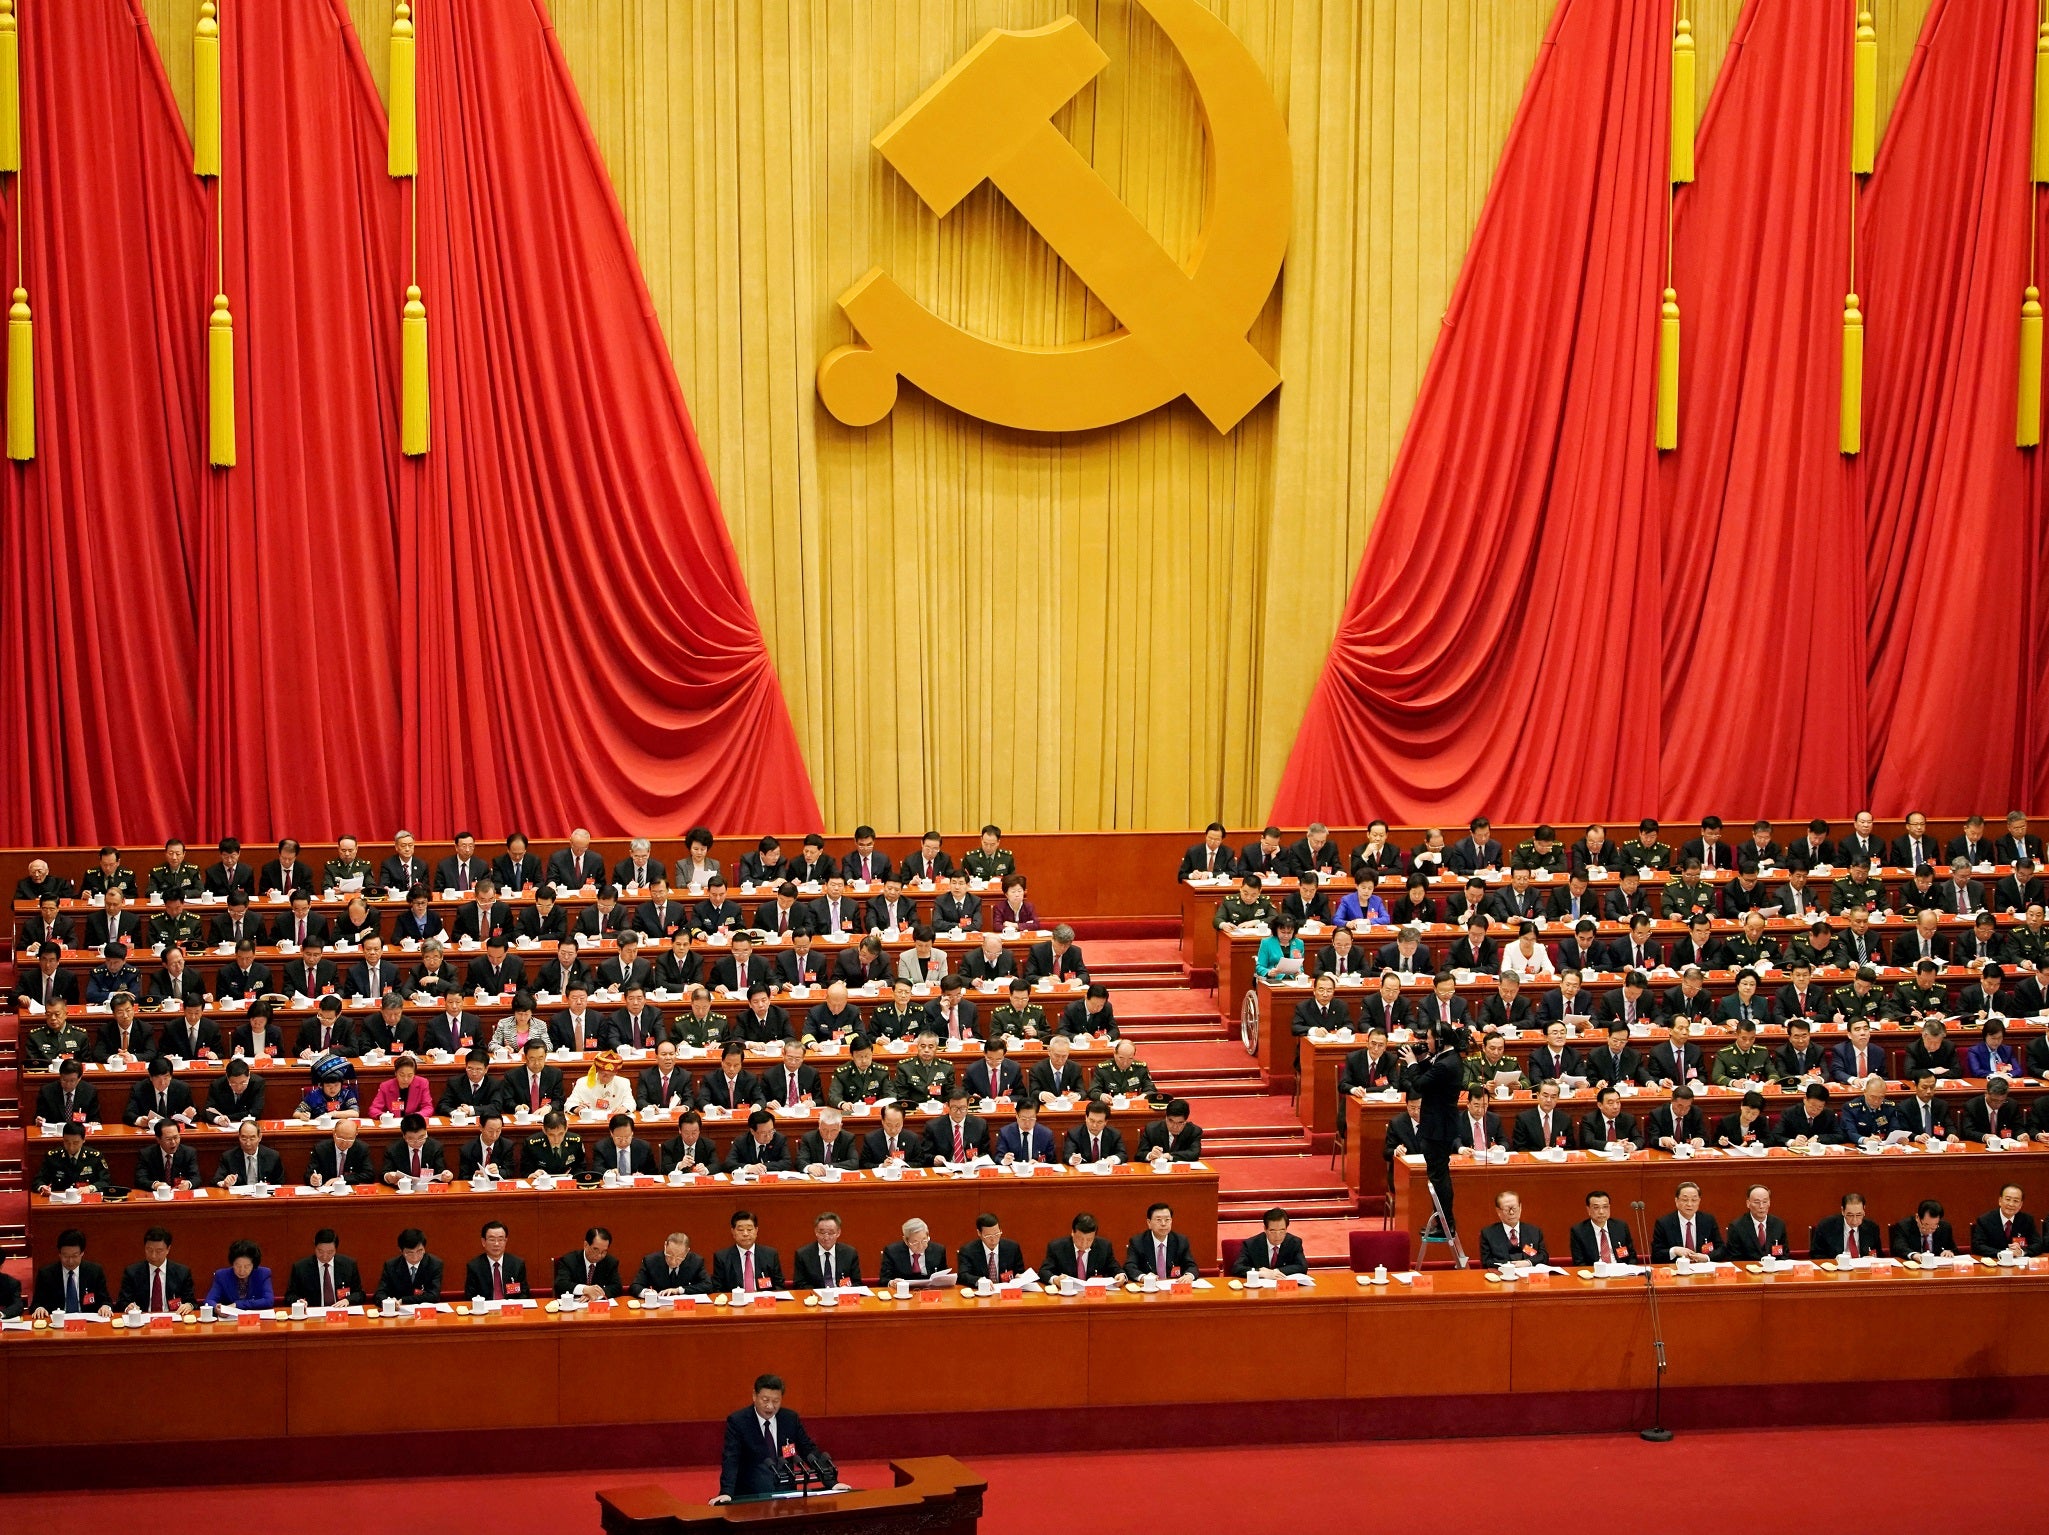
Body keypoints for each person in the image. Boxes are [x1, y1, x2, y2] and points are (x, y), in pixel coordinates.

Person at [713, 1374, 825, 1504]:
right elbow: (731, 1459)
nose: (770, 1407)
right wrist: (726, 1492)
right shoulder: (738, 1422)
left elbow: (808, 1450)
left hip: (786, 1498)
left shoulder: (789, 1419)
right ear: (754, 1396)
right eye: (765, 1400)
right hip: (751, 1498)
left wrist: (831, 1481)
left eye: (776, 1401)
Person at [1403, 1020, 1467, 1239]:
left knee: (1439, 1176)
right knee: (1438, 1175)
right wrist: (1420, 1060)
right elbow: (1427, 1074)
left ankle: (1445, 1222)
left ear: (1439, 1040)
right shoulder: (1445, 1058)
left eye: (1429, 1038)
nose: (1426, 1042)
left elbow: (1419, 1085)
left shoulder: (1446, 1064)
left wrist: (1412, 1063)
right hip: (1439, 1124)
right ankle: (1441, 1218)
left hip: (1439, 1127)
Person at [32, 1229, 112, 1318]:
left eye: (74, 1256)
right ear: (59, 1254)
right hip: (57, 1323)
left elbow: (105, 1300)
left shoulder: (95, 1271)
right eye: (65, 1256)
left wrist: (105, 1307)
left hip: (88, 1323)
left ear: (82, 1253)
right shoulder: (46, 1274)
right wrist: (39, 1308)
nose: (70, 1261)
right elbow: (36, 1303)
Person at [117, 1227, 196, 1315]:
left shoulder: (182, 1272)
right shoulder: (132, 1272)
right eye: (149, 1250)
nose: (153, 1256)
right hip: (142, 1320)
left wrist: (188, 1305)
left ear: (168, 1249)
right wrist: (128, 1307)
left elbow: (191, 1302)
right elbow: (122, 1302)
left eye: (159, 1251)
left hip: (173, 1320)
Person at [286, 1229, 364, 1308]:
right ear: (315, 1247)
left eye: (330, 1252)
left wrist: (348, 1300)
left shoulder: (348, 1265)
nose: (324, 1256)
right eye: (320, 1251)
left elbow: (359, 1294)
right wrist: (298, 1301)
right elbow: (289, 1296)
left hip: (340, 1313)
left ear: (336, 1250)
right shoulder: (301, 1267)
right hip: (313, 1315)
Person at [711, 1210, 785, 1293]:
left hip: (764, 1302)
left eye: (749, 1229)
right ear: (733, 1232)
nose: (745, 1234)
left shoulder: (770, 1254)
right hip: (736, 1303)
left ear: (756, 1230)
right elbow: (717, 1289)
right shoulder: (722, 1257)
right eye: (740, 1230)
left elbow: (779, 1285)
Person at [1123, 1202, 1196, 1281]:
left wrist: (1189, 1275)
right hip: (1148, 1288)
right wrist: (1143, 1277)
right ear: (1149, 1223)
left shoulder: (1181, 1241)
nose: (1163, 1224)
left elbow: (1191, 1266)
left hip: (1173, 1288)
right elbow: (1129, 1266)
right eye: (1158, 1220)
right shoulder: (1137, 1242)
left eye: (1167, 1220)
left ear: (1171, 1221)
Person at [1651, 1183, 1721, 1264]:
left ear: (1699, 1201)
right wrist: (1674, 1251)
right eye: (1685, 1200)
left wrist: (1706, 1257)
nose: (1689, 1204)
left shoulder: (1708, 1220)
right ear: (1676, 1200)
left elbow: (1721, 1249)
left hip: (1703, 1270)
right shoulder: (1664, 1223)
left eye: (1694, 1200)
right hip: (1676, 1270)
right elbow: (1656, 1255)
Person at [34, 1121, 110, 1195]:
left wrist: (90, 1188)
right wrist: (43, 1187)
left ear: (83, 1140)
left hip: (85, 1201)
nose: (71, 1147)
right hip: (60, 1202)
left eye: (75, 1143)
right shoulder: (53, 1157)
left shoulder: (94, 1157)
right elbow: (38, 1181)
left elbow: (106, 1181)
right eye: (67, 1142)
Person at [1041, 1212, 1120, 1283]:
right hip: (1067, 1295)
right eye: (1080, 1238)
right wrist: (1055, 1280)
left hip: (1094, 1295)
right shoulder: (1057, 1247)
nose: (1084, 1244)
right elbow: (1044, 1271)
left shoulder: (1104, 1246)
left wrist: (1120, 1275)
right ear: (1072, 1232)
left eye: (1089, 1239)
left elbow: (1114, 1268)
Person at [1478, 1191, 1549, 1268]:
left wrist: (1528, 1262)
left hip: (1530, 1276)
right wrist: (1510, 1265)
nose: (1511, 1213)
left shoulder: (1534, 1232)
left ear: (1520, 1207)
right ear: (1498, 1211)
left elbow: (1543, 1257)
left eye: (1514, 1208)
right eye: (1506, 1209)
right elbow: (1486, 1261)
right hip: (1502, 1276)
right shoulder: (1488, 1234)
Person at [1718, 1185, 1789, 1261]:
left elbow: (1784, 1255)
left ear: (1769, 1203)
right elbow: (1734, 1258)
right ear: (1748, 1203)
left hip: (1774, 1270)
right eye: (1757, 1202)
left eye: (1765, 1202)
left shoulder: (1778, 1224)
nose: (1761, 1206)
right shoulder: (1737, 1227)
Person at [1231, 1208, 1309, 1278]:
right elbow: (1237, 1268)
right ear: (1265, 1229)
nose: (1277, 1235)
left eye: (1282, 1230)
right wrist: (1260, 1272)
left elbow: (1302, 1267)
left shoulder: (1294, 1243)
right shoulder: (1251, 1244)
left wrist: (1276, 1271)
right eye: (1273, 1231)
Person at [793, 1212, 862, 1289]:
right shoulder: (803, 1254)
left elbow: (857, 1283)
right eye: (822, 1233)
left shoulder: (850, 1253)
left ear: (838, 1233)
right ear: (816, 1232)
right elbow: (799, 1284)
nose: (826, 1237)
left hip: (842, 1297)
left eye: (831, 1233)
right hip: (816, 1297)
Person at [1811, 1193, 1883, 1260]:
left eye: (1859, 1215)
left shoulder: (1872, 1228)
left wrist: (1872, 1259)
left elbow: (1878, 1254)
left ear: (1864, 1210)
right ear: (1843, 1211)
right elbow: (1816, 1255)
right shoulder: (1826, 1226)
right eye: (1850, 1215)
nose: (1854, 1221)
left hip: (1863, 1270)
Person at [556, 1227, 623, 1300]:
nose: (599, 1255)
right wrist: (585, 1289)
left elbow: (617, 1287)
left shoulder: (610, 1262)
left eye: (604, 1251)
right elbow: (560, 1285)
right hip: (575, 1306)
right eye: (596, 1250)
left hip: (598, 1308)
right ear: (586, 1245)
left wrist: (596, 1294)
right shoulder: (569, 1260)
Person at [203, 1240, 275, 1308]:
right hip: (229, 1319)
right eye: (238, 1266)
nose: (242, 1271)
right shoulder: (221, 1275)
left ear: (254, 1265)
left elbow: (269, 1301)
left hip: (255, 1318)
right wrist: (216, 1307)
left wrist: (237, 1305)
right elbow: (209, 1301)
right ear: (232, 1263)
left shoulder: (263, 1274)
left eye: (247, 1266)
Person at [136, 1117, 200, 1192]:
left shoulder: (189, 1153)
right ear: (158, 1139)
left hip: (180, 1197)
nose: (173, 1142)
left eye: (176, 1137)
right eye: (168, 1139)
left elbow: (196, 1178)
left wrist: (188, 1184)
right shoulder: (146, 1154)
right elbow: (140, 1179)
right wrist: (155, 1185)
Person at [958, 1213, 1026, 1284]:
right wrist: (979, 1280)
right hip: (981, 1293)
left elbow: (1020, 1272)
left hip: (1005, 1292)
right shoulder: (968, 1251)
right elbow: (962, 1275)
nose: (993, 1239)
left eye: (997, 1234)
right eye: (988, 1236)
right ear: (979, 1233)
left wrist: (1019, 1277)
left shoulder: (1012, 1248)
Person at [633, 1232, 709, 1296]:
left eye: (679, 1257)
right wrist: (647, 1293)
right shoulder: (650, 1261)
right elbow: (635, 1286)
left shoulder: (696, 1261)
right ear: (665, 1246)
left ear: (687, 1252)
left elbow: (708, 1285)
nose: (673, 1261)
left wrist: (679, 1290)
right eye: (669, 1255)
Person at [1569, 1191, 1633, 1266]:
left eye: (1605, 1207)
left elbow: (1632, 1256)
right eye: (1596, 1207)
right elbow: (1579, 1263)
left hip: (1621, 1273)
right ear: (1588, 1210)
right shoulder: (1578, 1231)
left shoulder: (1621, 1227)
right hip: (1594, 1273)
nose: (1601, 1212)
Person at [368, 1055, 435, 1120]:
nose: (406, 1079)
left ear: (414, 1074)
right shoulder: (385, 1086)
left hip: (413, 1125)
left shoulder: (422, 1083)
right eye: (402, 1075)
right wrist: (385, 1116)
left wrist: (416, 1117)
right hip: (393, 1125)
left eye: (410, 1075)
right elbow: (373, 1109)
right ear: (395, 1073)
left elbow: (428, 1107)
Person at [459, 1110, 520, 1180]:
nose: (494, 1135)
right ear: (481, 1128)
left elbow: (510, 1171)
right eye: (490, 1131)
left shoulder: (507, 1146)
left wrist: (498, 1172)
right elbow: (463, 1177)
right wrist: (475, 1176)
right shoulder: (467, 1149)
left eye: (498, 1131)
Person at [727, 1109, 793, 1172]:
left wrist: (762, 1167)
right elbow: (729, 1164)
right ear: (752, 1131)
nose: (768, 1136)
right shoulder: (741, 1141)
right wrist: (748, 1168)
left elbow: (787, 1163)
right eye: (763, 1133)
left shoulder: (779, 1139)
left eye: (771, 1131)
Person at [1139, 1100, 1203, 1163]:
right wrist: (1150, 1155)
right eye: (1171, 1121)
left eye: (1180, 1122)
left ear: (1185, 1121)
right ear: (1166, 1117)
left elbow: (1194, 1153)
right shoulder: (1152, 1129)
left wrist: (1170, 1156)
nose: (1175, 1126)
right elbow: (1139, 1155)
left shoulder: (1194, 1131)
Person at [1890, 1199, 1957, 1259]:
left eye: (1934, 1225)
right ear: (1917, 1218)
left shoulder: (1945, 1227)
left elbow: (1954, 1250)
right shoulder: (1904, 1226)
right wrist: (1914, 1255)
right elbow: (1899, 1247)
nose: (1930, 1230)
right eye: (1926, 1224)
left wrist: (1949, 1252)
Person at [597, 1112, 658, 1179]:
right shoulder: (601, 1147)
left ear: (632, 1133)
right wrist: (609, 1173)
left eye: (627, 1137)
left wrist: (642, 1175)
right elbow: (597, 1169)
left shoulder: (644, 1147)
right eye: (619, 1138)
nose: (623, 1141)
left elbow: (653, 1172)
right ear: (611, 1133)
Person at [1064, 1101, 1126, 1165]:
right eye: (1091, 1120)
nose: (1094, 1125)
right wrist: (1073, 1159)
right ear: (1086, 1118)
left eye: (1099, 1122)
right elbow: (1067, 1155)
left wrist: (1112, 1160)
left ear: (1106, 1122)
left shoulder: (1114, 1134)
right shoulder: (1074, 1134)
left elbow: (1122, 1154)